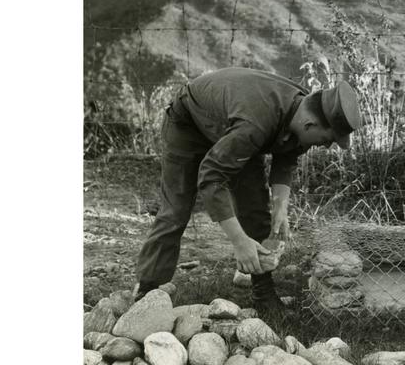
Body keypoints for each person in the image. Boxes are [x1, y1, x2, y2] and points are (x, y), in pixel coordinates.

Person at [134, 67, 362, 312]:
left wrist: (280, 209)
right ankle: (147, 294)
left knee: (255, 208)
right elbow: (211, 178)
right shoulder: (256, 123)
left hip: (235, 127)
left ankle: (263, 294)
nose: (326, 146)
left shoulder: (306, 108)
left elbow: (287, 157)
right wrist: (239, 241)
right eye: (326, 140)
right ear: (309, 124)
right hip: (188, 125)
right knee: (175, 213)